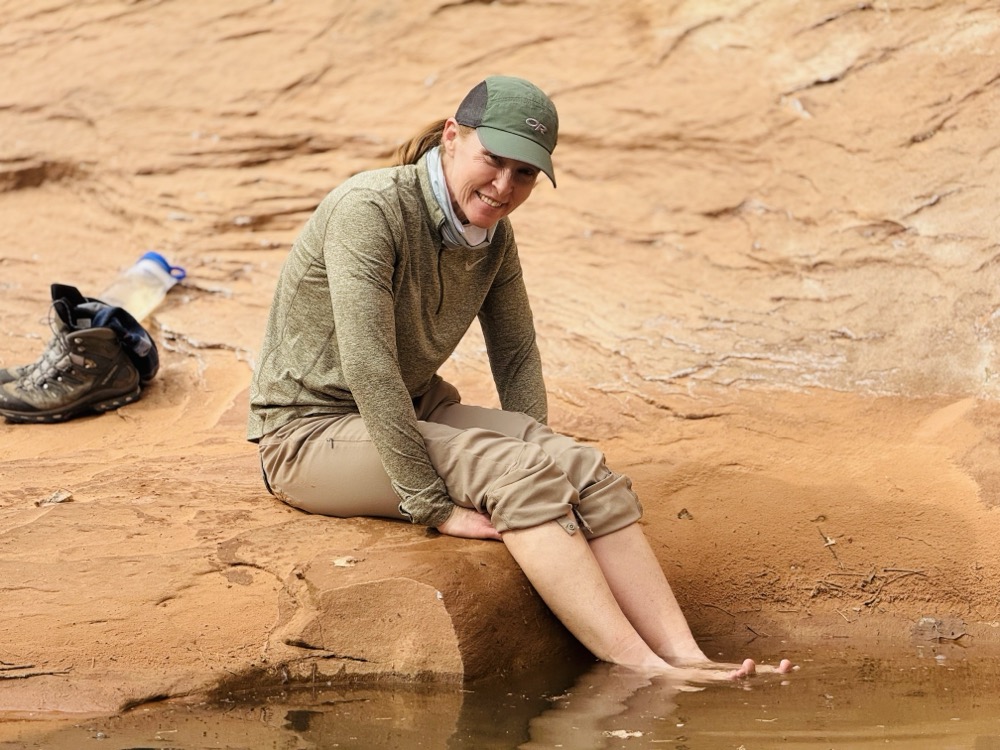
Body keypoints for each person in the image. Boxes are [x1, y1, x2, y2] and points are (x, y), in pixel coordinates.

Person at [248, 76, 792, 680]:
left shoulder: (493, 238)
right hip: (306, 434)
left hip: (416, 408)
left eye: (525, 173)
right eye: (493, 159)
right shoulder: (368, 209)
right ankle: (642, 669)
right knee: (515, 472)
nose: (504, 186)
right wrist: (433, 505)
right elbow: (369, 366)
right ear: (452, 137)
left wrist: (548, 473)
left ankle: (687, 657)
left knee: (582, 467)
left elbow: (516, 353)